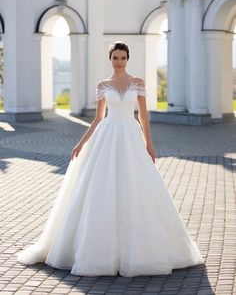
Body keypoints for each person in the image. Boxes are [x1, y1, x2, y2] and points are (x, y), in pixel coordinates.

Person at [17, 41, 204, 277]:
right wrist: (80, 143)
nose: (119, 62)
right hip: (108, 135)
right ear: (110, 59)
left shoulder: (138, 83)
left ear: (128, 58)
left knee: (137, 186)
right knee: (102, 187)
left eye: (123, 57)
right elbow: (97, 119)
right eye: (115, 58)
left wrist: (149, 143)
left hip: (131, 135)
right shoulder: (103, 85)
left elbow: (144, 116)